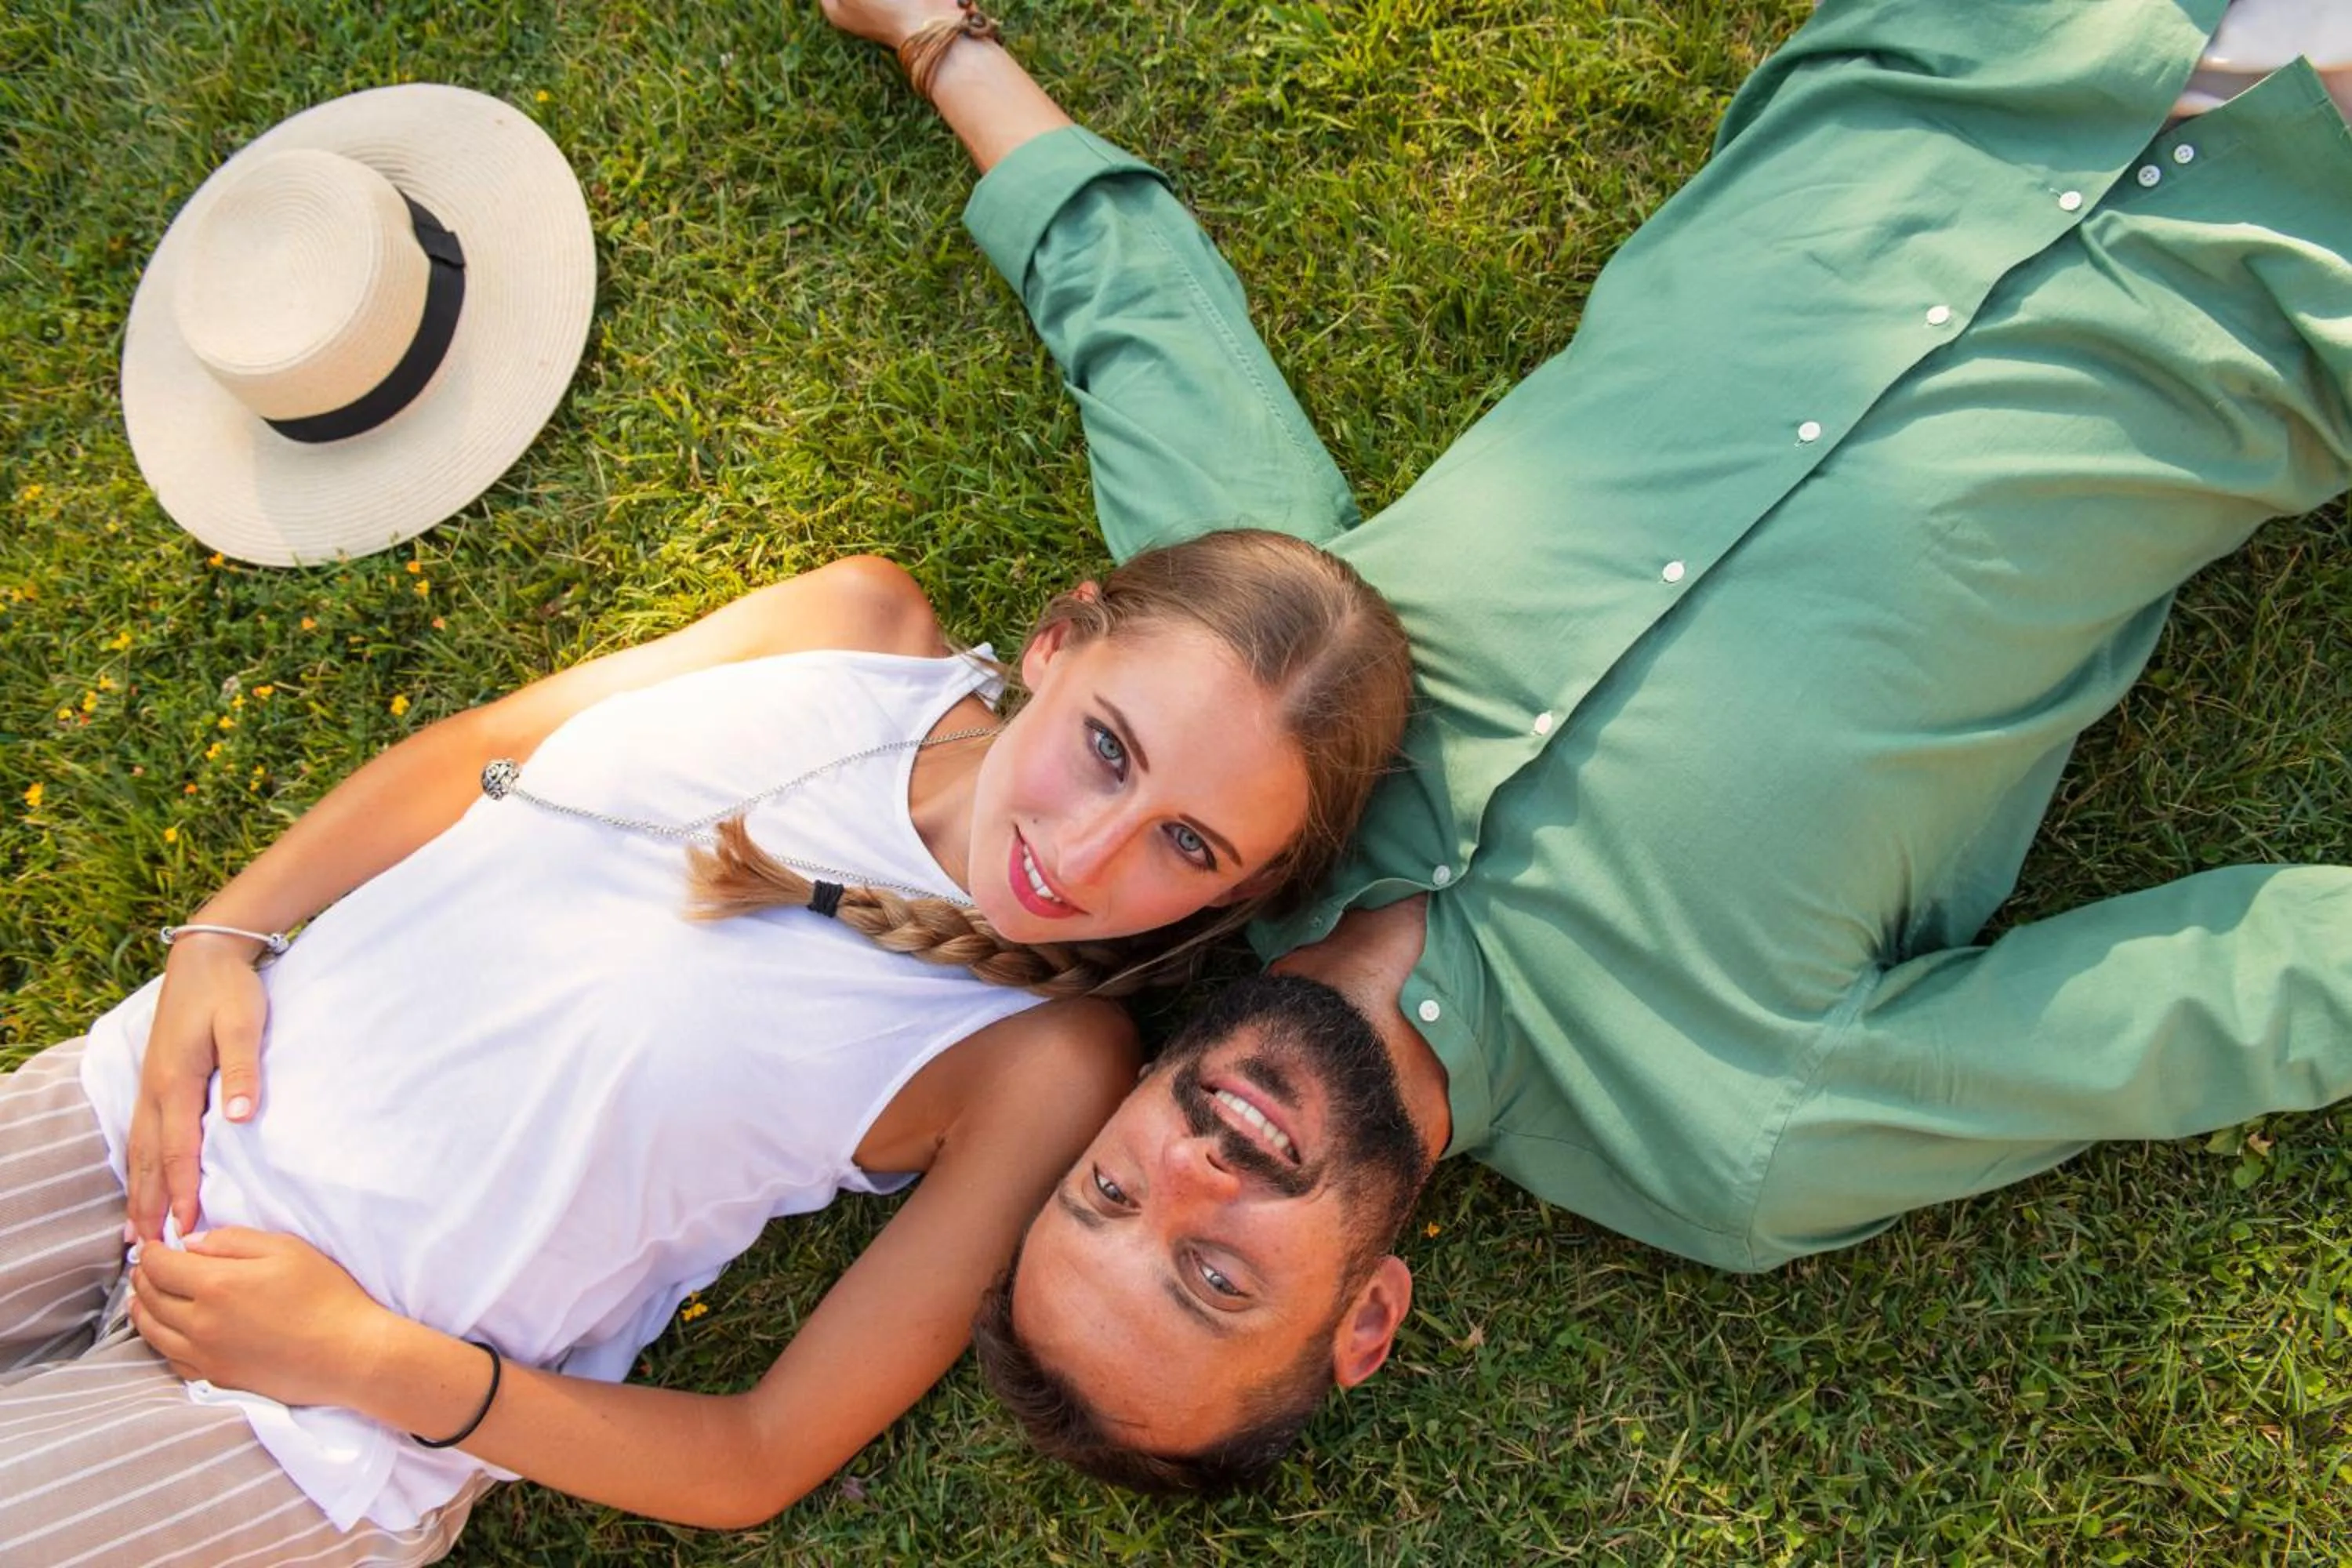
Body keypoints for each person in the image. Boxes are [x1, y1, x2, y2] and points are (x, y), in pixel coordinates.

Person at [816, 0, 2352, 1490]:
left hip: (1974, 53)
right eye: (1216, 1276)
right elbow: (2234, 997)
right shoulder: (1737, 1137)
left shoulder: (1241, 748)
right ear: (1366, 1320)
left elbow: (1148, 333)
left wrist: (937, 37)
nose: (1194, 1173)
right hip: (2290, 258)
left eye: (1109, 1190)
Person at [0, 532, 1410, 1555]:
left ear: (1234, 894)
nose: (1088, 856)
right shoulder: (855, 624)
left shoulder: (1039, 1059)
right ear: (1058, 643)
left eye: (1187, 845)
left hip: (302, 1432)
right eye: (1107, 746)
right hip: (134, 1112)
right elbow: (483, 755)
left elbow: (757, 1455)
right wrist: (221, 936)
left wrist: (372, 1363)